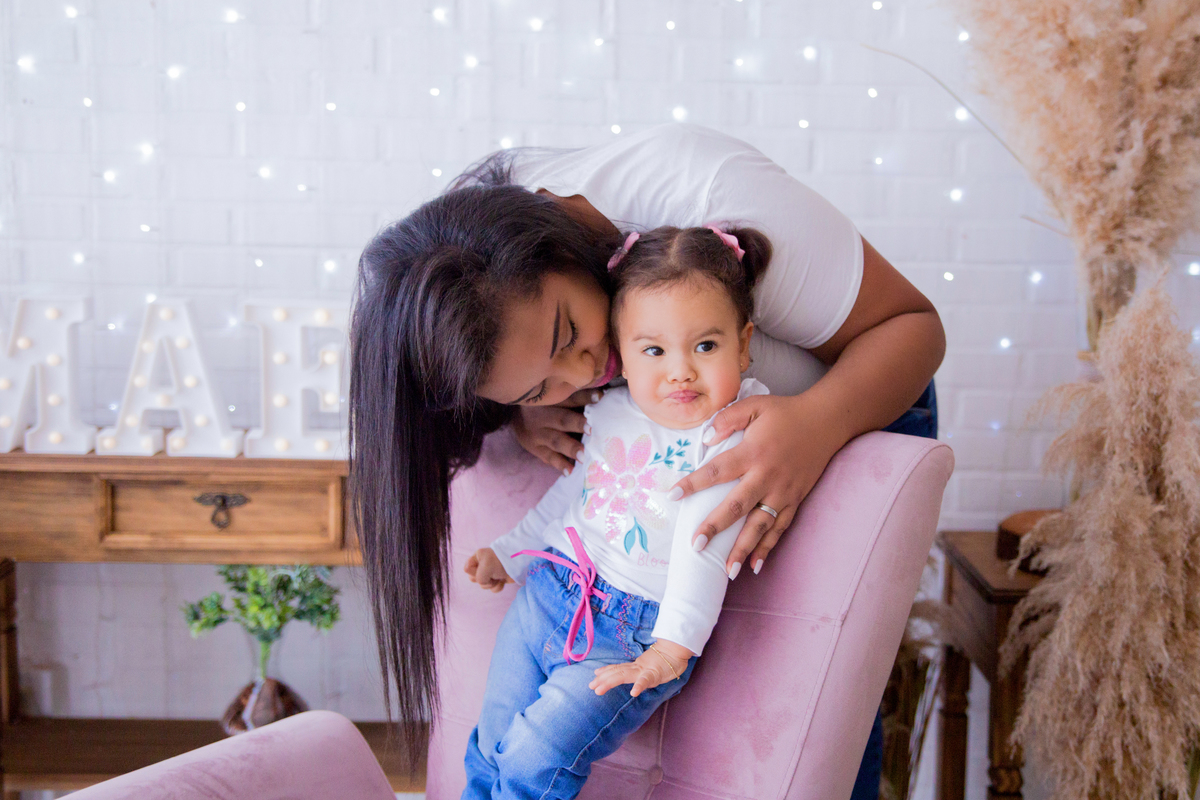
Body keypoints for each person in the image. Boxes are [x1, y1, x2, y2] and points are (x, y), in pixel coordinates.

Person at [349, 124, 945, 795]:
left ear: (566, 251)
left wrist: (817, 425)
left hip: (858, 389)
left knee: (811, 711)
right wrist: (524, 411)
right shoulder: (472, 282)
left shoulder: (710, 196)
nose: (581, 373)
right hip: (665, 487)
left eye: (570, 334)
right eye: (538, 383)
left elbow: (914, 328)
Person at [462, 224, 771, 798]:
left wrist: (671, 650)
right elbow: (574, 495)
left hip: (629, 637)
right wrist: (509, 552)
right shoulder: (610, 410)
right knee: (492, 741)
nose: (679, 370)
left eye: (705, 346)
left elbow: (704, 545)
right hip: (550, 589)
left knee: (536, 757)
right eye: (654, 350)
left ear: (744, 343)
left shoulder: (736, 430)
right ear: (622, 355)